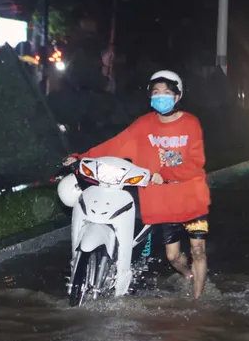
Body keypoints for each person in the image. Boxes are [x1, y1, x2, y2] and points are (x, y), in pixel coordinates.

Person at [63, 70, 211, 298]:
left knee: (198, 250)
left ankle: (198, 300)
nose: (160, 97)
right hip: (164, 204)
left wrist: (166, 172)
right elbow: (114, 145)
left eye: (166, 92)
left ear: (178, 96)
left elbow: (196, 161)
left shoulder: (191, 124)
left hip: (192, 200)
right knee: (173, 258)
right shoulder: (144, 125)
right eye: (156, 92)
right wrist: (81, 157)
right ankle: (189, 275)